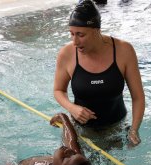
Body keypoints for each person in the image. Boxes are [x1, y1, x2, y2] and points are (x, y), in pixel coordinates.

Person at [53, 0, 145, 147]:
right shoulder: (67, 53)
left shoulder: (124, 51)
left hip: (116, 128)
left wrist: (134, 130)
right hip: (81, 130)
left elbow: (138, 97)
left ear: (97, 30)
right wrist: (72, 108)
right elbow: (58, 90)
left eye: (80, 35)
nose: (75, 41)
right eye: (71, 34)